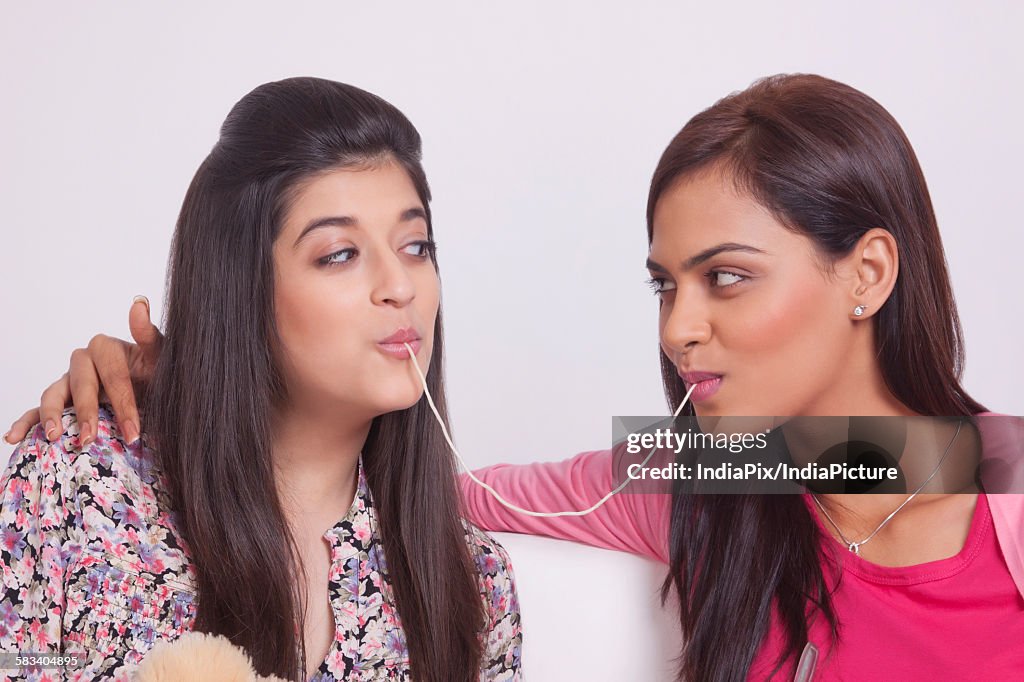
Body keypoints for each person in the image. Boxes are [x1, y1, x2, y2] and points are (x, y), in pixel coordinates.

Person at [8, 74, 1024, 680]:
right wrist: (188, 385)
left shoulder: (989, 474)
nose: (679, 327)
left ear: (869, 273)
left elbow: (949, 457)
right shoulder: (708, 474)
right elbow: (403, 495)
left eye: (725, 278)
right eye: (663, 282)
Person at [0, 77, 521, 682]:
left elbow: (630, 474)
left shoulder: (476, 583)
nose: (401, 286)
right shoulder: (79, 482)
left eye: (415, 246)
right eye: (340, 254)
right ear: (240, 289)